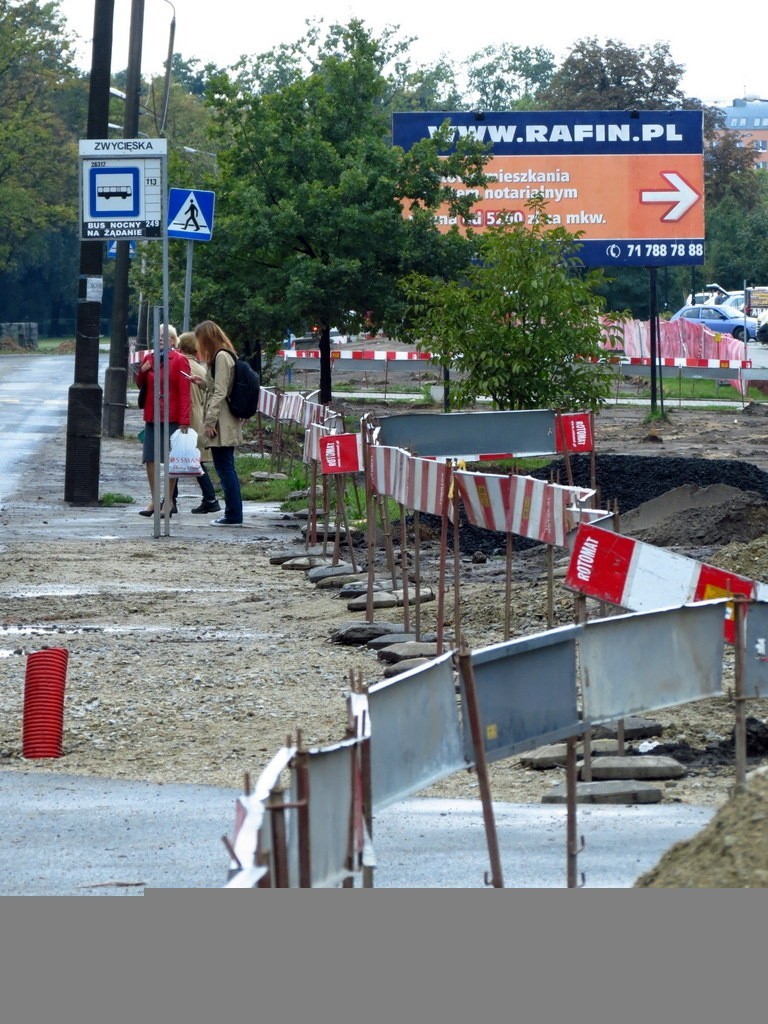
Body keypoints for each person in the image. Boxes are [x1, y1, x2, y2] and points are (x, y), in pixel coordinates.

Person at [190, 320, 243, 526]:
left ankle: (233, 515)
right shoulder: (226, 354)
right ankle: (233, 513)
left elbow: (221, 391)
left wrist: (209, 421)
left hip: (222, 420)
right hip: (225, 418)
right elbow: (219, 387)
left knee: (225, 468)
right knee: (226, 467)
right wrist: (202, 383)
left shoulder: (221, 357)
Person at [135, 324, 191, 517]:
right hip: (152, 415)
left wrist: (185, 420)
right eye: (158, 335)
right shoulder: (149, 358)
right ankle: (154, 498)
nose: (160, 338)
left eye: (165, 336)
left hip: (173, 417)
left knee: (171, 460)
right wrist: (143, 371)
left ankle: (167, 501)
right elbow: (141, 384)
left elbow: (185, 392)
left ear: (174, 341)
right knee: (150, 458)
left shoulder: (179, 360)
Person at [176, 331, 221, 514]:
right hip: (198, 414)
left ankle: (210, 497)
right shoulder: (200, 368)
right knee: (186, 458)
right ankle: (172, 498)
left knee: (188, 459)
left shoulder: (180, 365)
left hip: (186, 417)